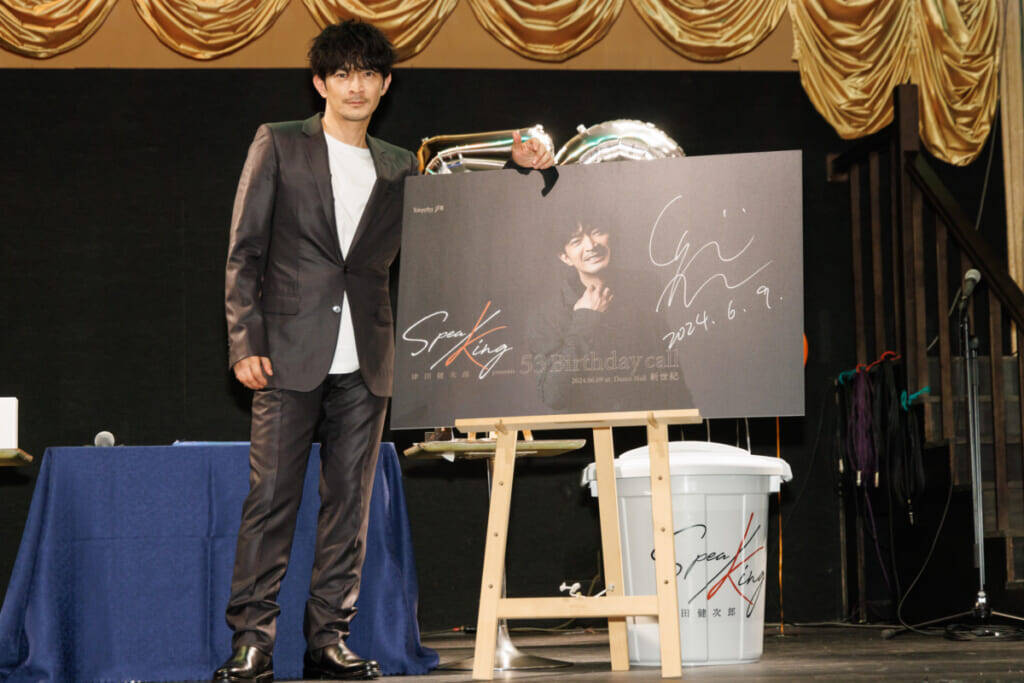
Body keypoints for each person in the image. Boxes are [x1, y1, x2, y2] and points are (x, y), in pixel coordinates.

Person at [217, 20, 553, 683]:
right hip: (286, 352)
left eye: (369, 74)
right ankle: (251, 642)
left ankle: (328, 640)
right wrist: (243, 340)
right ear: (320, 83)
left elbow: (461, 218)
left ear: (386, 84)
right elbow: (244, 251)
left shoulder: (401, 164)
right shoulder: (278, 143)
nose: (356, 86)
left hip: (368, 359)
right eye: (343, 74)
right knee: (271, 502)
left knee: (350, 508)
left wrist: (522, 166)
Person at [529, 220, 692, 411]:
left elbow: (669, 370)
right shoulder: (546, 315)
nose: (591, 245)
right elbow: (553, 396)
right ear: (565, 257)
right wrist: (585, 319)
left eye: (597, 232)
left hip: (653, 420)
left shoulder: (646, 285)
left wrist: (686, 416)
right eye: (576, 241)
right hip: (595, 425)